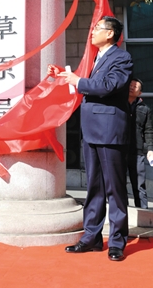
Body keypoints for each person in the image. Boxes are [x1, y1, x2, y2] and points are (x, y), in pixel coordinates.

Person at [48, 15, 133, 262]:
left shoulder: (122, 58)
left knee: (114, 188)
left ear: (110, 33)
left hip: (110, 131)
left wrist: (78, 81)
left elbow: (109, 85)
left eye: (97, 28)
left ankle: (116, 241)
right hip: (92, 130)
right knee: (94, 187)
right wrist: (66, 76)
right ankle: (91, 237)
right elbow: (91, 84)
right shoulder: (98, 58)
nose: (92, 32)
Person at [127, 78, 153, 209]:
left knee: (139, 185)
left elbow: (148, 131)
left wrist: (150, 149)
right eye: (130, 85)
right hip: (119, 150)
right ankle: (121, 213)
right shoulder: (119, 104)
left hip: (137, 152)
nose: (132, 87)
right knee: (118, 184)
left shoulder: (145, 109)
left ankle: (143, 213)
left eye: (135, 86)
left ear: (140, 93)